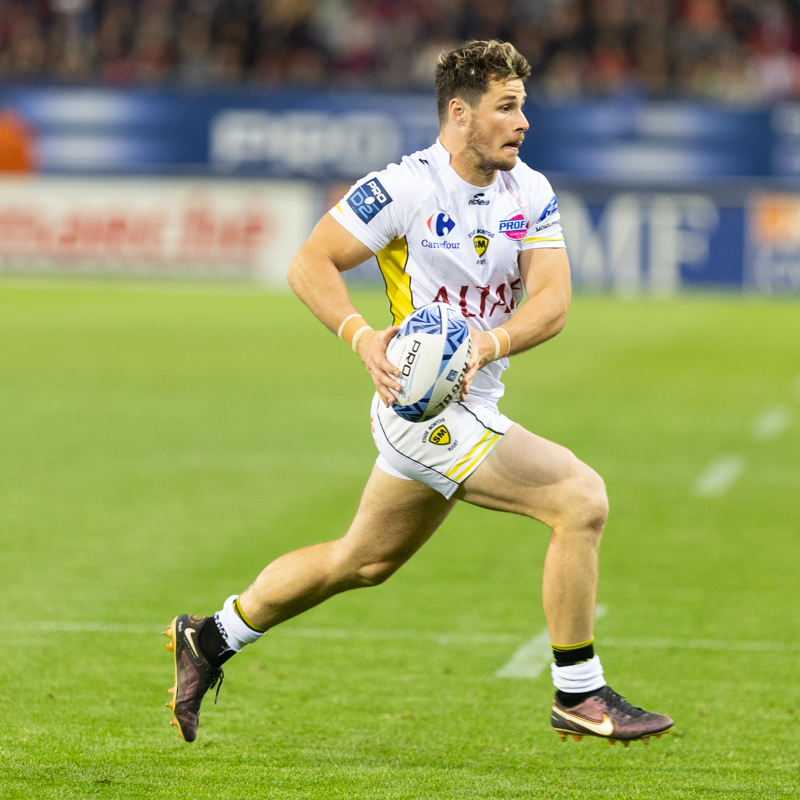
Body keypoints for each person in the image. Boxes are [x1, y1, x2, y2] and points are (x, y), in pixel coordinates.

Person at [164, 40, 673, 747]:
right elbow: (309, 262)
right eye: (507, 107)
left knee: (361, 562)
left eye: (523, 106)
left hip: (472, 399)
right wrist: (361, 336)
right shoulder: (404, 187)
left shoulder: (529, 190)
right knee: (579, 500)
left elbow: (552, 303)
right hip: (422, 408)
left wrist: (485, 346)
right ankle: (579, 693)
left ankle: (211, 635)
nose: (523, 122)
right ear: (460, 114)